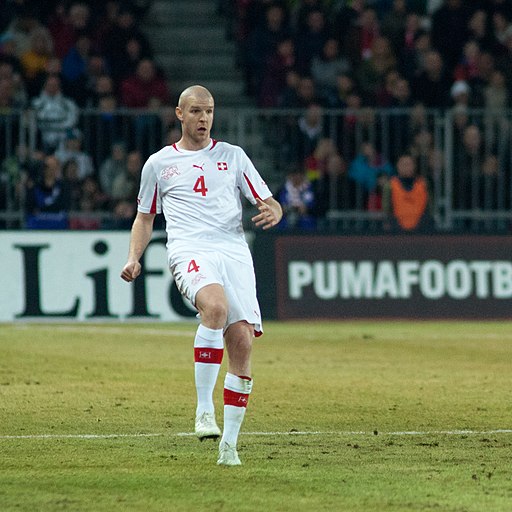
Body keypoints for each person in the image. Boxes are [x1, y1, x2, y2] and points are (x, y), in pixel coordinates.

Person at [120, 85, 282, 466]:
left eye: (208, 111)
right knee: (215, 307)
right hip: (190, 248)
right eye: (195, 111)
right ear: (179, 113)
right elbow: (145, 217)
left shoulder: (233, 156)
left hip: (233, 250)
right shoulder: (159, 164)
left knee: (242, 341)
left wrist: (275, 210)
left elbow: (266, 199)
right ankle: (203, 408)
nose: (203, 118)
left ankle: (229, 445)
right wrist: (133, 258)